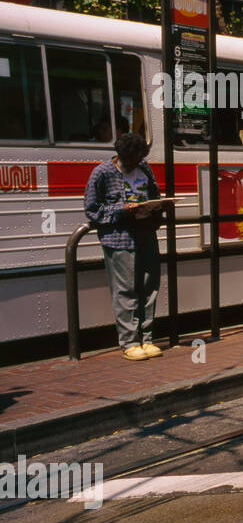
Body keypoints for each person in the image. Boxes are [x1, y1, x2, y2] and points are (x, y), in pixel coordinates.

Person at [83, 132, 164, 359]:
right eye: (133, 159)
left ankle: (146, 338)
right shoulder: (102, 173)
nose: (137, 162)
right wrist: (122, 209)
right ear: (121, 156)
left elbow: (153, 193)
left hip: (145, 233)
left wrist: (157, 207)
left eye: (140, 158)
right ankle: (129, 341)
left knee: (149, 288)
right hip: (119, 238)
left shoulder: (145, 168)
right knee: (125, 290)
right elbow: (92, 209)